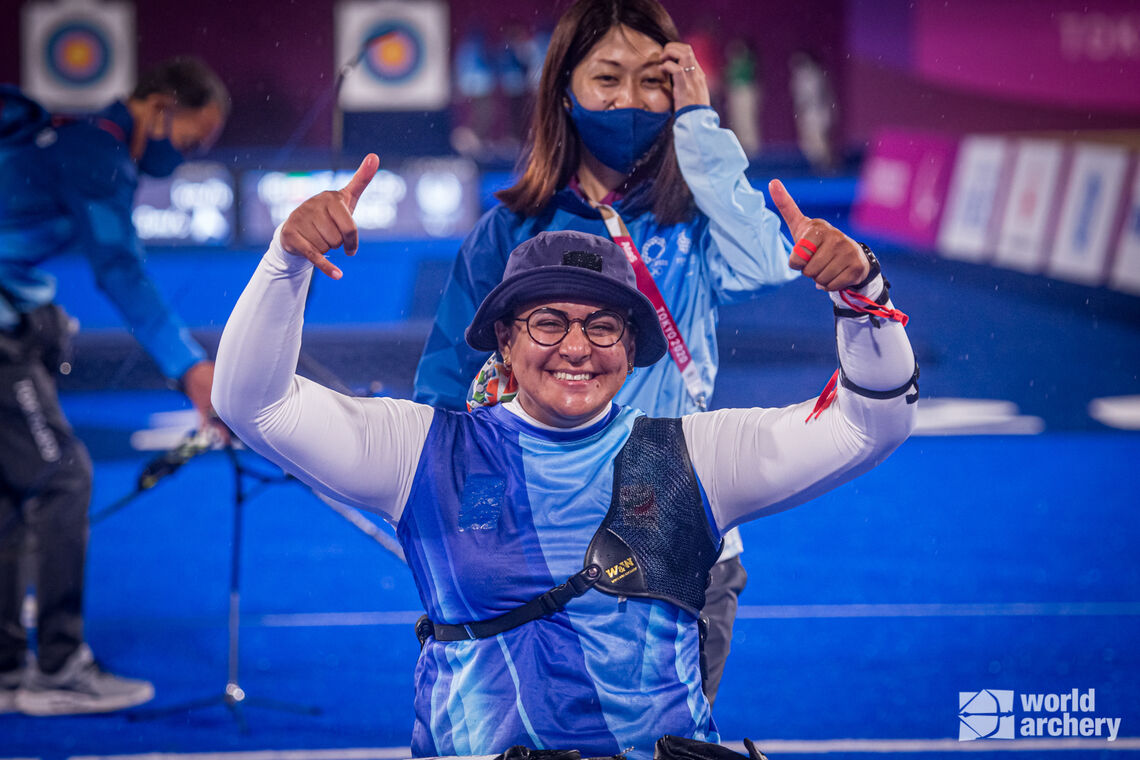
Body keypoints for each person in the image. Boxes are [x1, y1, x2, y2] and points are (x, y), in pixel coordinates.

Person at [211, 154, 918, 759]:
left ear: (631, 349)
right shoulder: (424, 451)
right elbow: (252, 405)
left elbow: (870, 427)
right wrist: (285, 264)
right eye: (548, 322)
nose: (576, 347)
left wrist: (862, 293)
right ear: (505, 341)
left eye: (603, 325)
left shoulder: (692, 456)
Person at [413, 0, 796, 704]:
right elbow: (447, 397)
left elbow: (767, 265)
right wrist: (472, 536)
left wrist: (698, 125)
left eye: (654, 81)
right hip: (537, 547)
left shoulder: (696, 220)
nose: (631, 100)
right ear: (565, 88)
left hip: (676, 530)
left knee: (664, 747)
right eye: (608, 78)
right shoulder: (511, 230)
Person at [0, 57, 228, 716]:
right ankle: (60, 668)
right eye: (189, 141)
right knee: (62, 477)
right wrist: (193, 369)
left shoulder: (71, 137)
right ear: (158, 107)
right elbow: (120, 268)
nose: (184, 158)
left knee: (13, 492)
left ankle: (8, 670)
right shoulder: (95, 153)